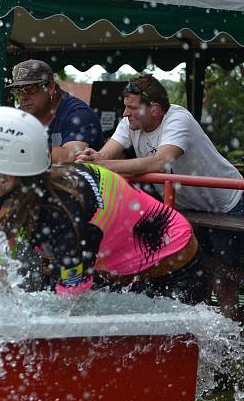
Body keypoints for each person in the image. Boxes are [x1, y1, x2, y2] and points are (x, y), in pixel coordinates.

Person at [0, 106, 207, 305]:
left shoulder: (64, 214)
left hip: (171, 262)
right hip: (117, 266)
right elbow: (0, 284)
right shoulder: (0, 197)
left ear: (3, 179)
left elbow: (72, 307)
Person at [75, 74, 244, 318]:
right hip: (190, 208)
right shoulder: (130, 122)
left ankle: (228, 331)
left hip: (229, 203)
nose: (125, 113)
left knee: (228, 272)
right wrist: (90, 158)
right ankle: (208, 329)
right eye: (125, 107)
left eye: (131, 108)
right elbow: (103, 158)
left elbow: (160, 161)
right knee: (200, 267)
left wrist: (103, 167)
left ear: (154, 109)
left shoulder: (179, 118)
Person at [7, 59, 104, 163]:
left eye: (30, 88)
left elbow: (71, 156)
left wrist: (15, 151)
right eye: (18, 90)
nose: (23, 97)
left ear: (50, 87)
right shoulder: (20, 116)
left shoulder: (79, 114)